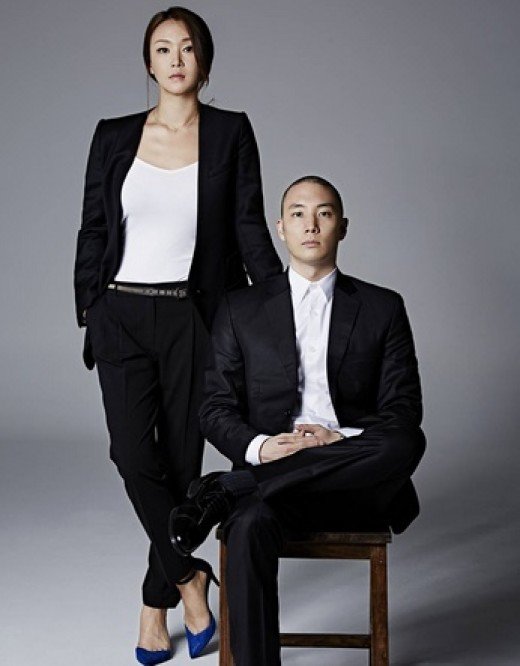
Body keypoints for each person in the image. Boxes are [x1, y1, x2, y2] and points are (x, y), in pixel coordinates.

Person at [73, 6, 282, 664]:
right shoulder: (113, 136)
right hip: (121, 314)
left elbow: (248, 227)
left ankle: (153, 607)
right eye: (162, 48)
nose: (175, 59)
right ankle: (192, 579)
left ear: (204, 61)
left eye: (187, 48)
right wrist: (90, 305)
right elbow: (94, 228)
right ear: (148, 62)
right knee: (134, 456)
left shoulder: (229, 132)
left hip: (195, 320)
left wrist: (279, 313)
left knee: (182, 469)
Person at [169, 176, 426, 665]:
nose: (311, 225)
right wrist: (262, 447)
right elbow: (214, 408)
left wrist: (337, 438)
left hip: (356, 484)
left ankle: (233, 487)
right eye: (298, 214)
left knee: (407, 441)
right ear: (281, 228)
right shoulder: (240, 308)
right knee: (247, 528)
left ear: (342, 227)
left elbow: (403, 410)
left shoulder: (383, 307)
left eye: (324, 213)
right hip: (274, 486)